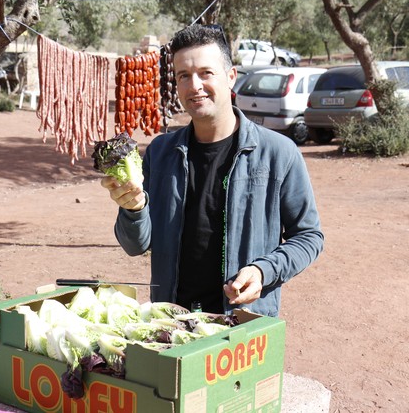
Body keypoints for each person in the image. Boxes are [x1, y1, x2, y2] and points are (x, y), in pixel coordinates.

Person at [100, 24, 323, 317]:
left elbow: (308, 236)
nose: (194, 86)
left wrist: (263, 271)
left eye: (206, 73)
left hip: (243, 323)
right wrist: (133, 210)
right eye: (184, 76)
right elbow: (135, 245)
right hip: (170, 321)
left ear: (230, 77)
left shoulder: (278, 153)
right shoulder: (161, 152)